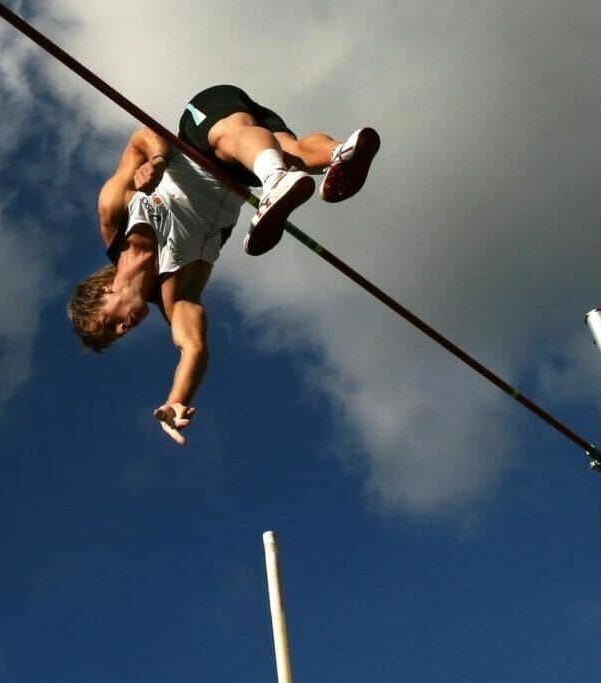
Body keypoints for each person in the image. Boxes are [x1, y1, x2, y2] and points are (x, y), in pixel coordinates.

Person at [67, 85, 379, 444]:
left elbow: (142, 137)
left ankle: (276, 180)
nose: (124, 330)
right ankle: (341, 152)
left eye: (110, 323)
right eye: (118, 335)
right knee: (293, 154)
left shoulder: (115, 216)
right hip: (247, 164)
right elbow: (193, 348)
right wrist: (177, 401)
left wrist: (155, 161)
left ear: (102, 291)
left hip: (203, 134)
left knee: (228, 140)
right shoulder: (177, 294)